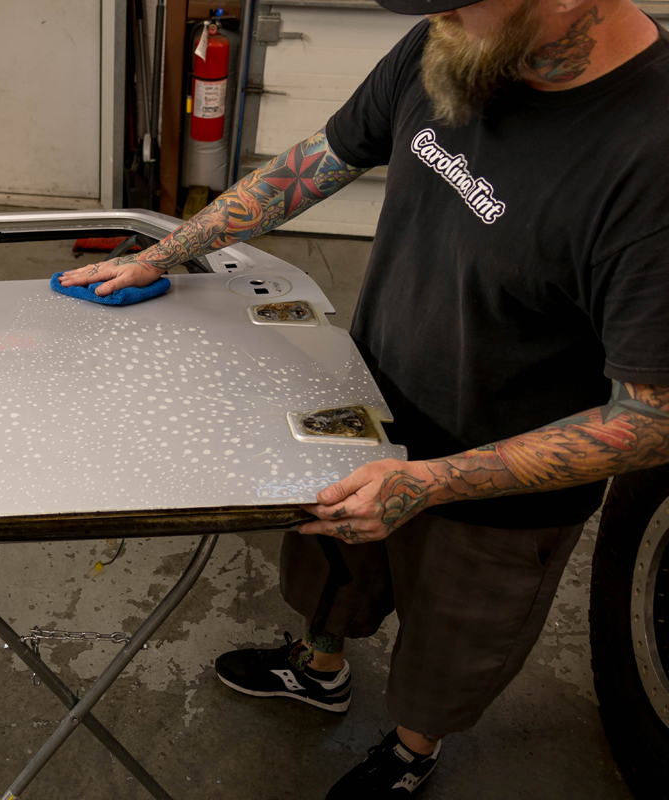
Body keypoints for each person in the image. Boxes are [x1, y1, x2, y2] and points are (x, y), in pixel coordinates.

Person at [59, 0, 669, 793]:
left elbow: (652, 418)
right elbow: (316, 162)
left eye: (456, 2)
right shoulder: (448, 41)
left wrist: (431, 481)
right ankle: (320, 672)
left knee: (449, 648)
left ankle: (413, 753)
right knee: (331, 574)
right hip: (363, 405)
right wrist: (168, 253)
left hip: (498, 484)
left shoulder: (649, 157)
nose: (437, 19)